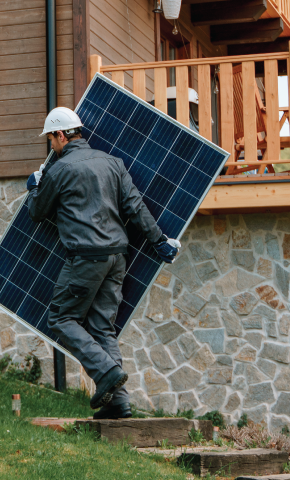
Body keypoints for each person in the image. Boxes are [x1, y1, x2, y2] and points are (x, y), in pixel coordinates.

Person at [25, 107, 180, 420]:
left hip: (86, 258)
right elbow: (135, 207)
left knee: (61, 318)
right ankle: (118, 403)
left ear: (60, 135)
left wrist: (33, 188)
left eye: (50, 140)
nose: (50, 147)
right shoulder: (113, 163)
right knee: (101, 328)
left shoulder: (59, 170)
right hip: (117, 257)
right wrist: (159, 240)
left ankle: (106, 371)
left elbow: (38, 211)